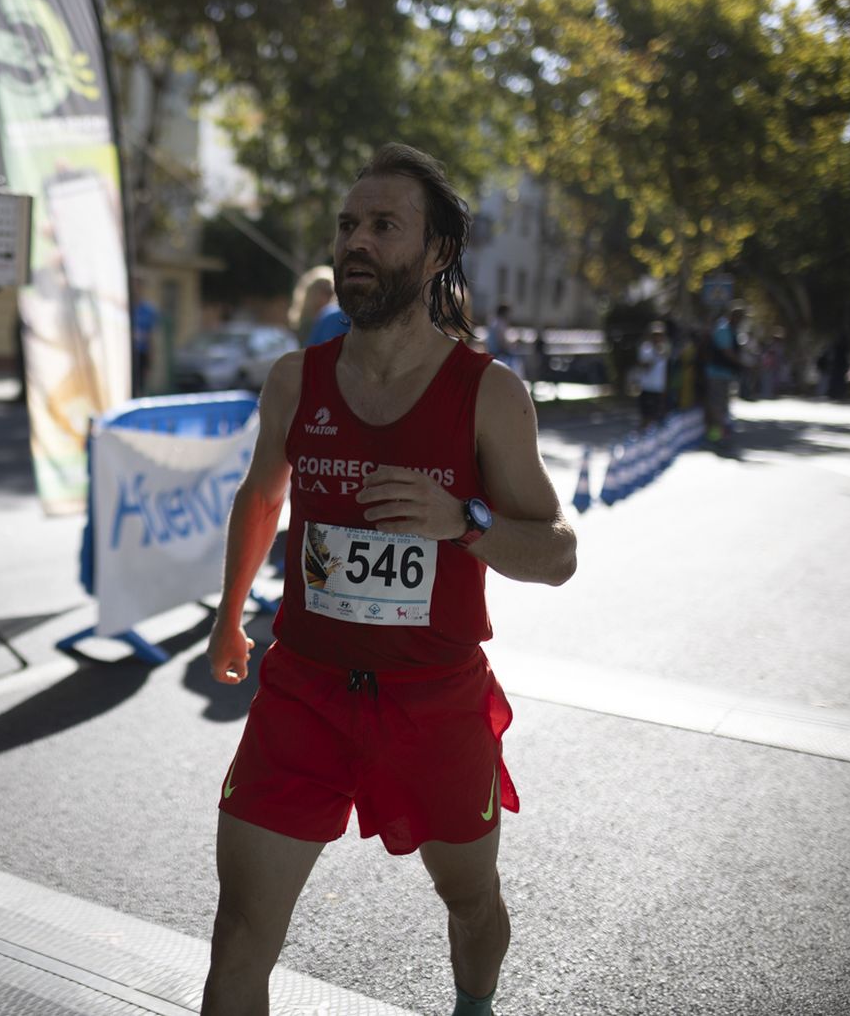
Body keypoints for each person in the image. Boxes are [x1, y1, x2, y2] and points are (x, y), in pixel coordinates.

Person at [201, 144, 577, 1016]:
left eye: (382, 226)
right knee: (239, 937)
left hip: (434, 701)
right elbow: (263, 496)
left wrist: (465, 521)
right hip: (304, 692)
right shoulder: (296, 381)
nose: (356, 243)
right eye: (347, 226)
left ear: (437, 251)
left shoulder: (489, 394)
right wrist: (230, 615)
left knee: (471, 901)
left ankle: (474, 1005)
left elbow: (557, 552)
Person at [704, 304, 745, 443]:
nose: (741, 320)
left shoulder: (732, 330)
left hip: (726, 374)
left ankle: (719, 434)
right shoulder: (723, 328)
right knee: (717, 405)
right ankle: (717, 436)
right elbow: (727, 352)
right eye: (739, 317)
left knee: (723, 405)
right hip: (717, 373)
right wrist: (743, 363)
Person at [290, 265, 350, 346]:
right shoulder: (294, 328)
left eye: (329, 293)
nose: (322, 298)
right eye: (318, 291)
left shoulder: (339, 327)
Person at [635, 321, 668, 427]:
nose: (657, 338)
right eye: (655, 335)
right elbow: (645, 366)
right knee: (646, 414)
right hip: (647, 386)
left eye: (659, 335)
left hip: (659, 387)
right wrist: (655, 354)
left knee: (658, 414)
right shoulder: (646, 348)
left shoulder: (665, 348)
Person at [131, 278, 159, 395]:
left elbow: (152, 337)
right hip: (127, 354)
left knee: (140, 385)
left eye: (138, 287)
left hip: (142, 353)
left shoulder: (148, 310)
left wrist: (151, 358)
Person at [484, 303, 520, 376]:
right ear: (504, 312)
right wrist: (513, 345)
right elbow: (502, 343)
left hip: (492, 353)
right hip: (498, 355)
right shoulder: (499, 323)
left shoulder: (493, 321)